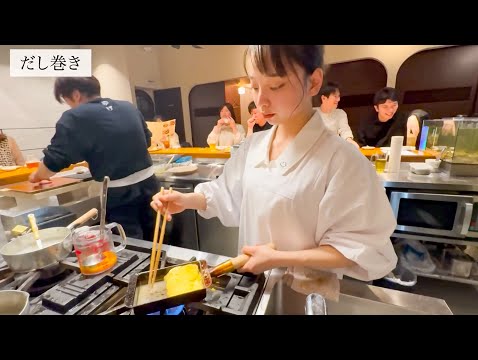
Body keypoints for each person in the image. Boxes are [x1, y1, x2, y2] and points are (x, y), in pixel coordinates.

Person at [151, 45, 397, 292]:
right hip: (252, 289)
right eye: (255, 86)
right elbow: (226, 192)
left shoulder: (343, 161)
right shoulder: (254, 146)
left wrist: (280, 258)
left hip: (304, 294)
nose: (260, 100)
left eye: (276, 86)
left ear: (313, 83)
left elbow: (360, 247)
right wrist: (185, 200)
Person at [29, 76, 158, 241]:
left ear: (75, 94)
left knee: (131, 243)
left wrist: (36, 176)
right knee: (157, 236)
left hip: (119, 193)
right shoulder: (129, 107)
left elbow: (53, 161)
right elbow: (146, 141)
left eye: (66, 99)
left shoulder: (74, 117)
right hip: (151, 184)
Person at [315, 81, 359, 148]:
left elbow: (345, 131)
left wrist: (350, 141)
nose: (338, 99)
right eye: (335, 96)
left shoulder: (340, 113)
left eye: (338, 96)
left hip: (334, 148)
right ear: (324, 98)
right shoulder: (313, 113)